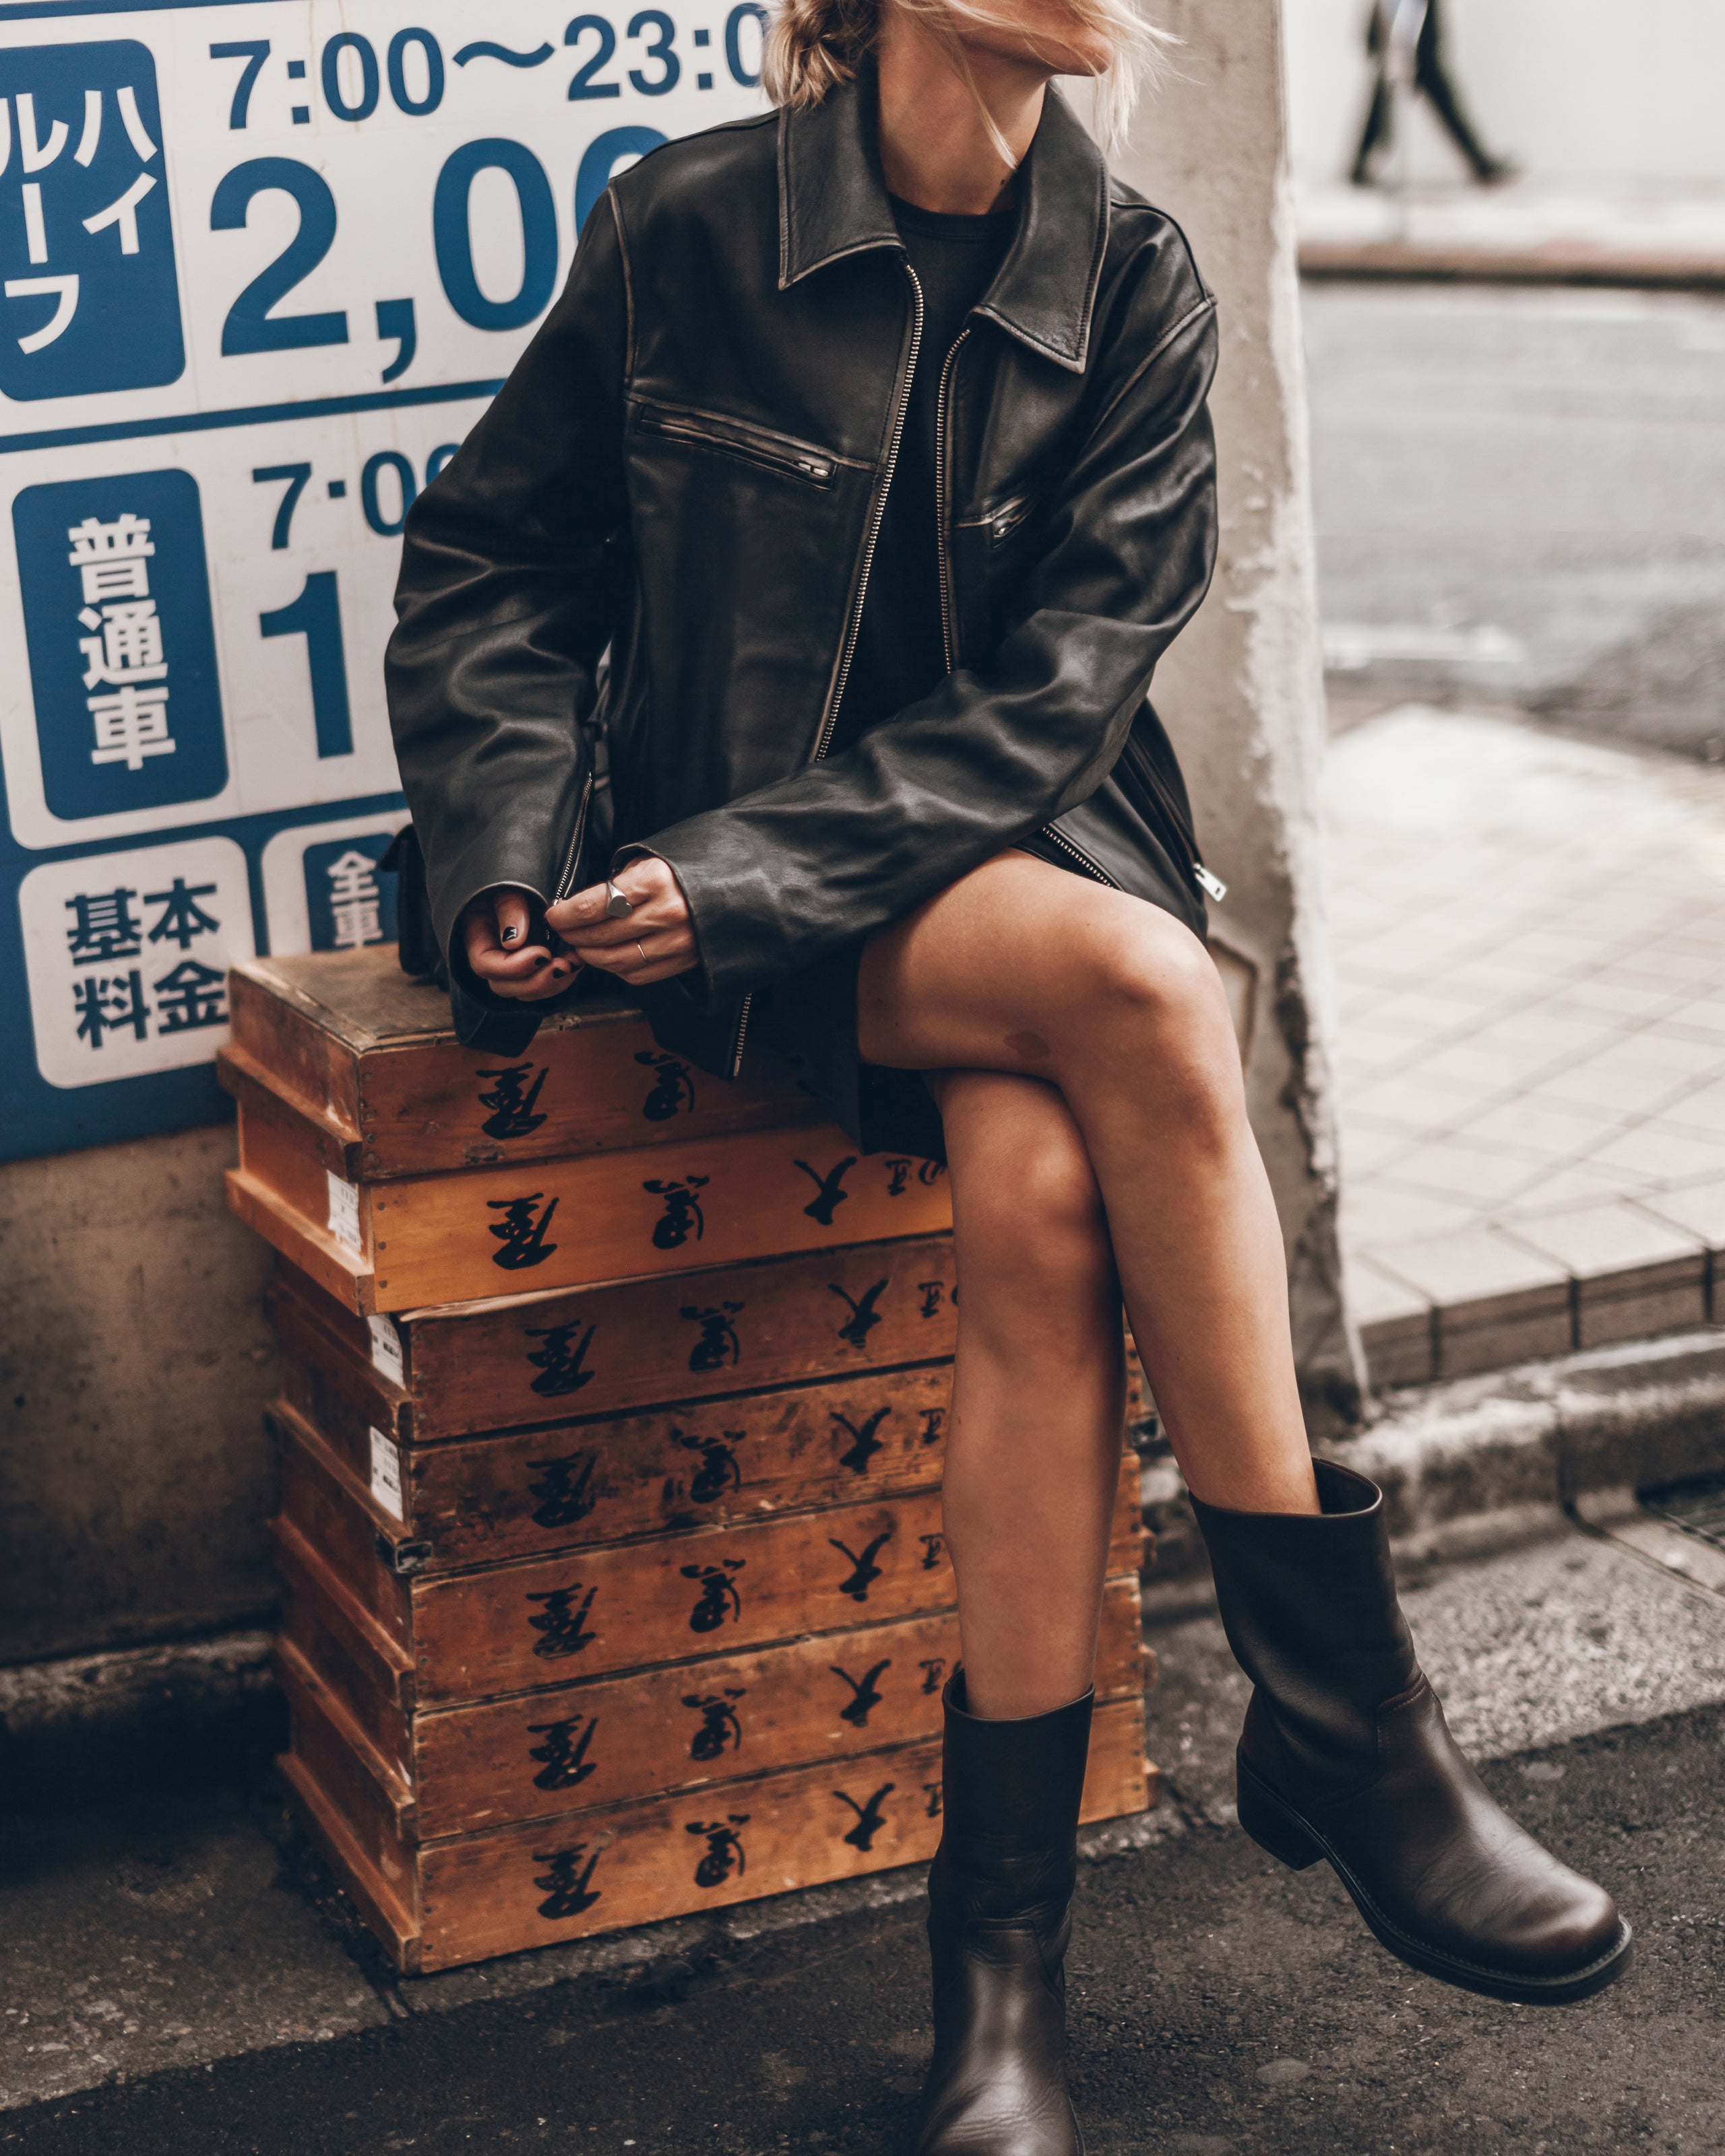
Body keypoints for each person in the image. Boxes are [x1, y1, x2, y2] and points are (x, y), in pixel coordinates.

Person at [385, 0, 1629, 2144]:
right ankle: (1342, 1723)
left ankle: (1003, 1991)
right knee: (1151, 999)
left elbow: (1065, 698)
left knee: (1052, 1208)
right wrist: (509, 840)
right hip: (757, 916)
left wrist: (774, 865)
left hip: (993, 864)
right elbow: (498, 563)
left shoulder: (1130, 277)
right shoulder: (689, 223)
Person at [1352, 0, 1516, 187]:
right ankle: (1480, 165)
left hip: (1407, 38)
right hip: (1409, 39)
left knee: (1391, 96)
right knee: (1439, 98)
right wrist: (1401, 43)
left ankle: (1360, 163)